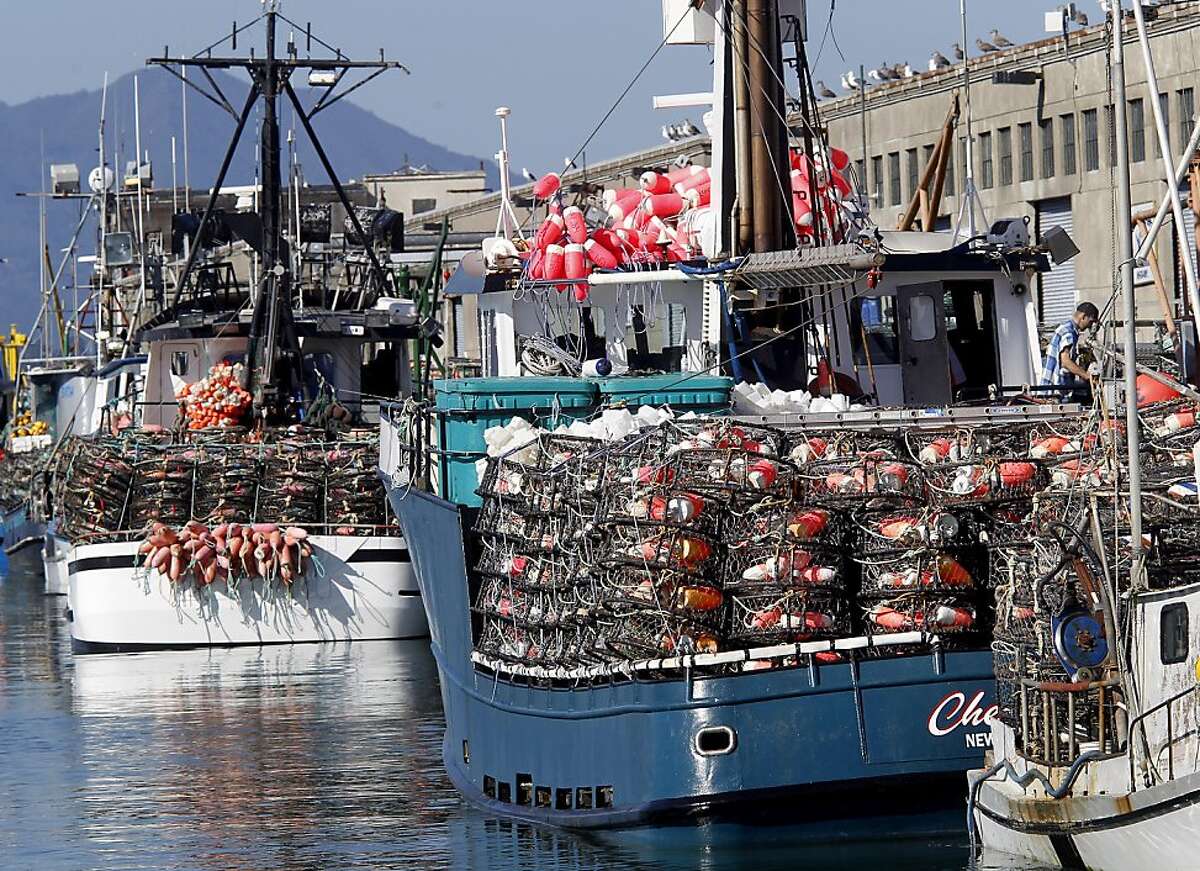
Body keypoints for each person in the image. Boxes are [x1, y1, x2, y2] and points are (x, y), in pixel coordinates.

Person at [1039, 301, 1099, 393]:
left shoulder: (1068, 329)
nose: (1090, 326)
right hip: (1054, 390)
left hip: (1053, 388)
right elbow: (1065, 362)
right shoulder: (1068, 332)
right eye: (1090, 322)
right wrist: (1086, 376)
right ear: (1083, 317)